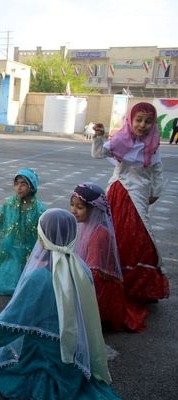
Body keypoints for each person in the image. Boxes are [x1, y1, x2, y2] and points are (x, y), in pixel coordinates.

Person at [0, 209, 120, 400]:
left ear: (42, 237)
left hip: (46, 356)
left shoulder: (39, 277)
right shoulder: (81, 269)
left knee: (19, 377)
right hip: (75, 358)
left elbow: (9, 326)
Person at [91, 102, 169, 304]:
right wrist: (99, 136)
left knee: (139, 236)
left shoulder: (152, 146)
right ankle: (110, 279)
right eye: (139, 120)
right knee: (110, 234)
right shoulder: (121, 140)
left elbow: (158, 171)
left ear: (153, 124)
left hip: (139, 194)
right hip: (117, 192)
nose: (142, 125)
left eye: (148, 121)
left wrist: (156, 192)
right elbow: (99, 153)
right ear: (130, 120)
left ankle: (137, 286)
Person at [71, 182, 148, 331]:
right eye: (72, 205)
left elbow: (95, 272)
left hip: (100, 283)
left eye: (79, 207)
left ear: (95, 211)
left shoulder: (99, 234)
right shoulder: (83, 225)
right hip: (88, 274)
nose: (74, 210)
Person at [0, 168, 46, 295]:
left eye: (23, 184)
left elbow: (45, 233)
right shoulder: (9, 205)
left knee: (28, 282)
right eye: (16, 183)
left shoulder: (39, 210)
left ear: (32, 186)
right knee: (0, 277)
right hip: (8, 249)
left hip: (29, 252)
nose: (19, 187)